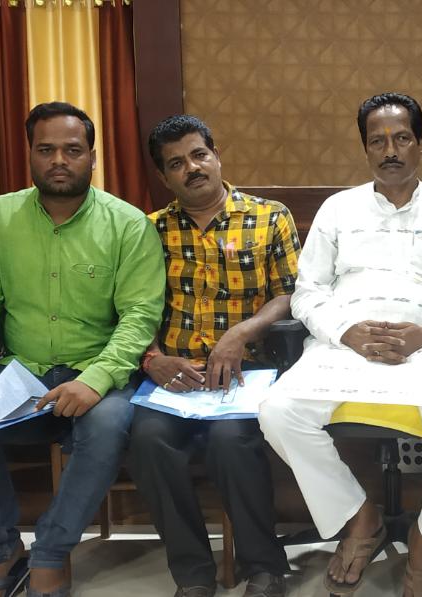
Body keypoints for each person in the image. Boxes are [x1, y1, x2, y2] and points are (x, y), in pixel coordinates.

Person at [258, 92, 422, 597]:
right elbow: (308, 293)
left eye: (402, 138)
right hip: (346, 348)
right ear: (365, 148)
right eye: (377, 141)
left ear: (421, 145)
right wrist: (344, 331)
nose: (390, 150)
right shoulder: (337, 209)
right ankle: (361, 518)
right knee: (278, 412)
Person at [0, 102, 165, 597]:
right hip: (22, 372)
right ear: (30, 154)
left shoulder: (128, 224)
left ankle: (49, 553)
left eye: (72, 150)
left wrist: (94, 381)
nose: (59, 160)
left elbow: (139, 318)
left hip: (98, 370)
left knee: (106, 426)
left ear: (92, 158)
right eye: (46, 150)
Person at [127, 115, 300, 597]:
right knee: (147, 441)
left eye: (199, 155)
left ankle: (263, 567)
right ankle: (193, 575)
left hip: (247, 373)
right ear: (164, 177)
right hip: (173, 377)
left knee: (231, 442)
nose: (192, 168)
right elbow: (129, 307)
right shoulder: (148, 230)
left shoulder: (269, 216)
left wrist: (241, 332)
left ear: (217, 156)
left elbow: (291, 294)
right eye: (176, 164)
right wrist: (152, 357)